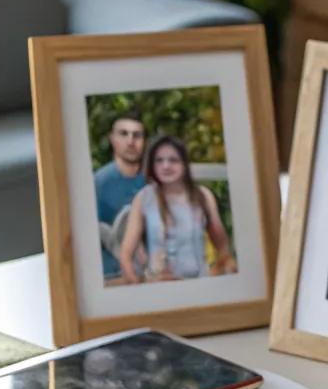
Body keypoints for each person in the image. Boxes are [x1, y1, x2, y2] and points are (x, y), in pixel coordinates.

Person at [119, 134, 234, 283]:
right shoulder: (144, 198)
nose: (166, 166)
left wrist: (214, 276)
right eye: (159, 161)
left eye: (173, 160)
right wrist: (138, 286)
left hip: (199, 286)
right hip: (160, 287)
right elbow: (126, 254)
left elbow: (223, 247)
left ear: (184, 164)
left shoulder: (202, 196)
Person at [93, 110, 147, 281]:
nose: (131, 141)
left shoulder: (154, 179)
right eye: (124, 134)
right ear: (112, 138)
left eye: (137, 135)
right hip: (112, 276)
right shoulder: (99, 183)